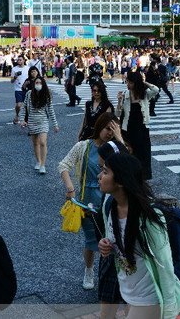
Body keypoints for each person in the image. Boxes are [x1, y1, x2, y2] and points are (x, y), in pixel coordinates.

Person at [98, 153, 180, 319]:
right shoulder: (109, 203)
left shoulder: (149, 218)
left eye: (105, 172)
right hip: (128, 290)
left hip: (149, 297)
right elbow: (119, 246)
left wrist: (169, 313)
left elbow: (165, 266)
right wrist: (107, 246)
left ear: (120, 181)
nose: (99, 176)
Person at [59, 112, 123, 291]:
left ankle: (111, 272)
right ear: (99, 126)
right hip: (88, 202)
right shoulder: (84, 146)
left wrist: (119, 138)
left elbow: (127, 164)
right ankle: (89, 270)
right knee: (91, 240)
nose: (110, 132)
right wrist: (70, 188)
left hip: (111, 200)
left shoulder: (115, 148)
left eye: (114, 129)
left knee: (112, 238)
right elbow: (64, 165)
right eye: (107, 128)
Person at [117, 72, 159, 180]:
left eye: (130, 82)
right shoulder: (125, 94)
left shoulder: (144, 94)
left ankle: (142, 177)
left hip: (141, 128)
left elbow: (156, 90)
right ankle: (130, 176)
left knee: (143, 153)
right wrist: (118, 102)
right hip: (128, 128)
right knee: (131, 153)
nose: (128, 84)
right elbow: (118, 114)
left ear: (136, 82)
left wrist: (144, 83)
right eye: (127, 82)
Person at [19, 76, 58, 174]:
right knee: (35, 143)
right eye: (36, 82)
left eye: (40, 83)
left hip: (43, 121)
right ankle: (38, 161)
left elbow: (51, 110)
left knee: (43, 142)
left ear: (43, 84)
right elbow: (24, 107)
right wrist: (22, 120)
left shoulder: (46, 95)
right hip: (32, 121)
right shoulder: (29, 94)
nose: (38, 85)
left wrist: (55, 124)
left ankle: (43, 165)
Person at [11, 55, 29, 124]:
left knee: (27, 106)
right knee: (18, 105)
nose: (19, 61)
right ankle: (17, 115)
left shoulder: (28, 68)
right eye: (18, 60)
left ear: (24, 60)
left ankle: (26, 119)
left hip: (26, 89)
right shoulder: (14, 69)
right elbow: (12, 81)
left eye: (20, 60)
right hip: (18, 89)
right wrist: (15, 77)